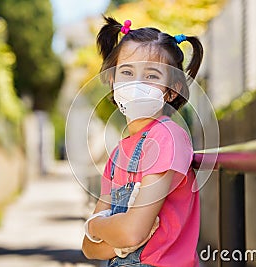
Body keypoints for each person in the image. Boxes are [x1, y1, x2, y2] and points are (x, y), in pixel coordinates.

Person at [82, 16, 204, 267]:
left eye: (151, 75)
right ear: (112, 80)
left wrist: (95, 226)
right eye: (126, 72)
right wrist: (107, 234)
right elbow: (89, 249)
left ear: (172, 90)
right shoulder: (117, 155)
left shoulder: (167, 138)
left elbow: (131, 233)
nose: (136, 83)